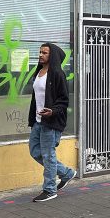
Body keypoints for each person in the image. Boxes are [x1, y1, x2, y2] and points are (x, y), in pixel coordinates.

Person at [28, 43, 75, 202]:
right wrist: (33, 118)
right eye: (40, 52)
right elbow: (36, 98)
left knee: (48, 155)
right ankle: (66, 173)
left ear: (52, 55)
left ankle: (49, 190)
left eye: (45, 53)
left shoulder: (57, 74)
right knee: (35, 151)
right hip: (38, 120)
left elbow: (64, 100)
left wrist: (52, 111)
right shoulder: (38, 72)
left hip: (51, 121)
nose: (40, 55)